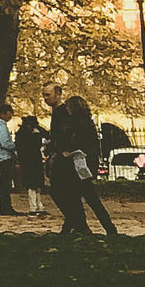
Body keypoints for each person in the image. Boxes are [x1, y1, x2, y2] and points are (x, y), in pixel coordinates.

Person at [45, 86, 119, 238]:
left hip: (78, 164)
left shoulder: (77, 124)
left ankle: (80, 225)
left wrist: (66, 151)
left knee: (77, 195)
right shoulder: (84, 122)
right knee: (82, 196)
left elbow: (75, 142)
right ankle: (87, 226)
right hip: (82, 164)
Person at [14, 111, 47, 216]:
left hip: (27, 161)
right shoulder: (32, 134)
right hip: (33, 161)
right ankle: (35, 207)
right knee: (34, 184)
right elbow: (37, 143)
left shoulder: (20, 133)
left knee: (33, 185)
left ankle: (37, 206)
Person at [0, 102, 20, 216]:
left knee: (5, 184)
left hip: (0, 156)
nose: (10, 117)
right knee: (6, 184)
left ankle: (5, 207)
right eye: (10, 115)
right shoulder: (0, 126)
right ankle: (6, 207)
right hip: (5, 156)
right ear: (5, 113)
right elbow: (5, 142)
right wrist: (16, 145)